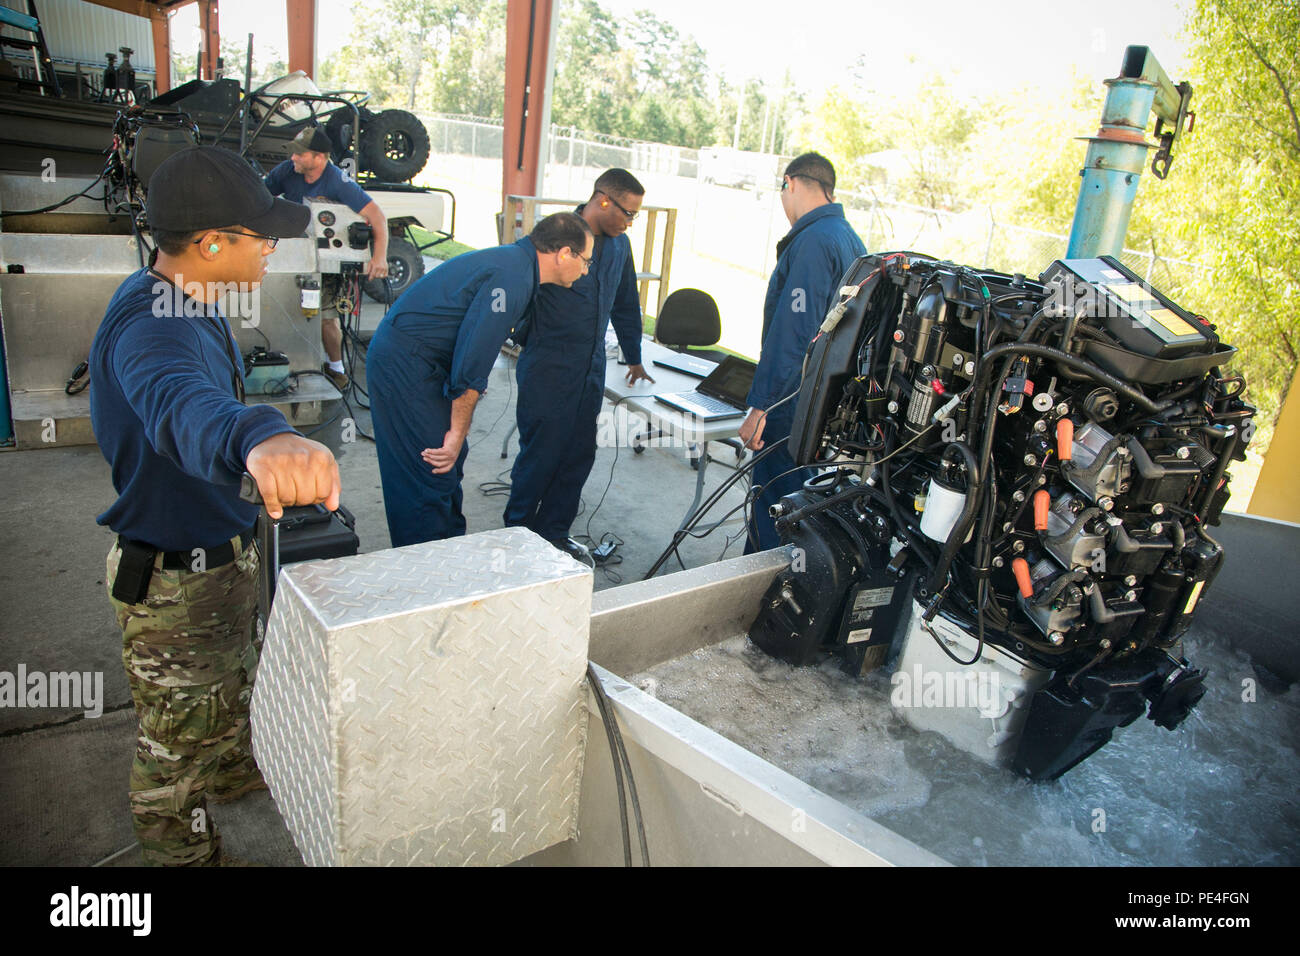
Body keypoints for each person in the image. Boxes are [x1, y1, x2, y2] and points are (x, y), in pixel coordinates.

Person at [89, 145, 342, 866]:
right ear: (208, 244)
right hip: (175, 582)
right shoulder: (154, 326)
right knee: (174, 748)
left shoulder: (181, 296)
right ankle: (181, 853)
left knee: (229, 687)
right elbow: (180, 401)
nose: (270, 248)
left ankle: (229, 765)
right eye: (258, 236)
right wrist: (260, 433)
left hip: (220, 560)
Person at [367, 212, 594, 547]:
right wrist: (457, 432)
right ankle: (424, 570)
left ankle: (451, 555)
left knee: (447, 466)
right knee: (428, 469)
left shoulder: (516, 266)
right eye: (586, 261)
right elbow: (472, 364)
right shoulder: (513, 279)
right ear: (564, 254)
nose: (586, 270)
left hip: (425, 361)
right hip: (404, 364)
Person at [504, 169, 655, 561]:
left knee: (577, 455)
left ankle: (554, 534)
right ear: (603, 200)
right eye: (627, 212)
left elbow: (625, 302)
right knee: (540, 455)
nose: (630, 222)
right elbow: (518, 291)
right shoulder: (556, 238)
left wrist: (634, 355)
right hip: (548, 367)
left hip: (590, 369)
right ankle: (516, 538)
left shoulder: (620, 246)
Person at [739, 152, 866, 552]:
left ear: (790, 183)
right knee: (799, 503)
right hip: (821, 402)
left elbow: (793, 333)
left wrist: (761, 405)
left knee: (774, 504)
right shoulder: (847, 237)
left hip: (792, 400)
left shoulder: (813, 241)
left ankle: (756, 600)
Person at [264, 126, 389, 390]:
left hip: (325, 258)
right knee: (283, 308)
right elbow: (261, 196)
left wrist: (379, 257)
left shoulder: (337, 181)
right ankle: (287, 363)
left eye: (300, 155)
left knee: (326, 315)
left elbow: (377, 216)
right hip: (292, 252)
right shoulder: (286, 172)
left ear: (319, 157)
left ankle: (336, 368)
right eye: (293, 154)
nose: (293, 159)